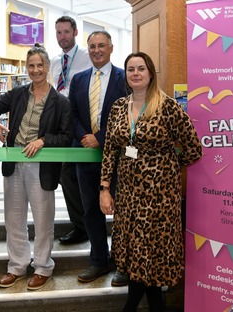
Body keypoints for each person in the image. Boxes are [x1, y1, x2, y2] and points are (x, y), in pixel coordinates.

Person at [99, 52, 202, 311]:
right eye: (131, 69)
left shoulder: (167, 106)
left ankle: (130, 306)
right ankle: (153, 306)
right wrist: (105, 189)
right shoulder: (118, 108)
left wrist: (165, 167)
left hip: (160, 198)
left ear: (150, 73)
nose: (136, 73)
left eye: (141, 68)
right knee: (136, 254)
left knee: (152, 255)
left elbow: (193, 148)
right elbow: (111, 150)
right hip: (129, 196)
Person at [0, 43, 73, 291]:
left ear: (47, 67)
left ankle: (43, 266)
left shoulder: (61, 102)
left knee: (43, 219)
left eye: (40, 65)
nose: (35, 70)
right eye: (31, 65)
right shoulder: (18, 93)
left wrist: (43, 140)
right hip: (14, 163)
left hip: (41, 167)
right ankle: (17, 266)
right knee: (13, 219)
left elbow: (66, 137)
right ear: (27, 67)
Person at [68, 30, 128, 286]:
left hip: (118, 157)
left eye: (101, 45)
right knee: (90, 210)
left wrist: (100, 137)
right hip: (86, 157)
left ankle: (124, 264)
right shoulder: (78, 80)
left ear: (111, 48)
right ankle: (98, 261)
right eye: (92, 46)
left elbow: (128, 114)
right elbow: (70, 115)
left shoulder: (125, 78)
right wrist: (85, 137)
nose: (96, 50)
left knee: (123, 211)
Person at [50, 16, 92, 245]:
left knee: (73, 174)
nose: (62, 37)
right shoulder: (55, 61)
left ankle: (84, 226)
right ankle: (81, 224)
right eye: (59, 32)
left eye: (66, 32)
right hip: (59, 122)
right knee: (64, 176)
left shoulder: (87, 56)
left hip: (79, 121)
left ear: (75, 32)